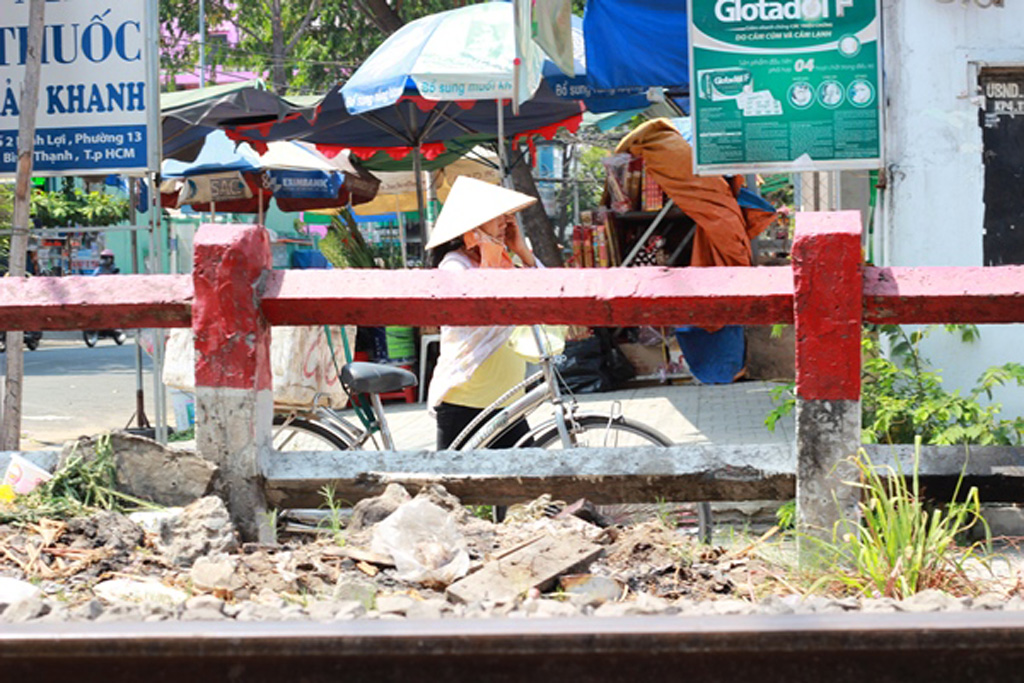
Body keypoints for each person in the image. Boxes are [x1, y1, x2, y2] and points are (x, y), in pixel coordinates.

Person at [425, 176, 541, 450]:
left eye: (506, 216)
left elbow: (544, 291)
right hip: (467, 401)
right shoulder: (454, 266)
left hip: (507, 400)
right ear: (473, 227)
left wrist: (522, 251)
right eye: (497, 217)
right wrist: (489, 258)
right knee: (455, 487)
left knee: (529, 481)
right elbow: (481, 311)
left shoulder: (505, 263)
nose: (505, 223)